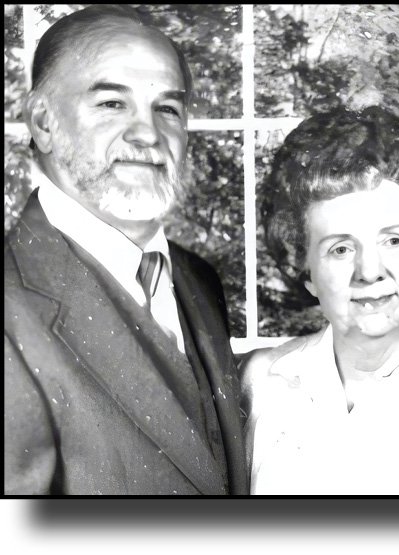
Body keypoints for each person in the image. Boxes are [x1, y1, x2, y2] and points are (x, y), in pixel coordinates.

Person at [4, 5, 247, 495]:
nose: (148, 133)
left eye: (168, 108)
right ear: (43, 121)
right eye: (113, 103)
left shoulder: (198, 280)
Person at [241, 106, 399, 495]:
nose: (369, 271)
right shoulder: (260, 384)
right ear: (306, 271)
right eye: (340, 249)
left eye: (394, 240)